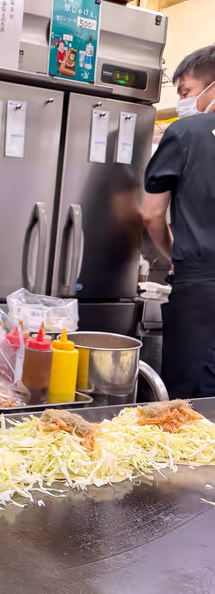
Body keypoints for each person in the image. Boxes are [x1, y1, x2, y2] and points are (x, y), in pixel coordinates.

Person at [143, 45, 215, 398]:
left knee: (188, 404)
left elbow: (152, 213)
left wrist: (173, 254)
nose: (185, 101)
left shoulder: (186, 133)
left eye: (186, 91)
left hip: (201, 285)